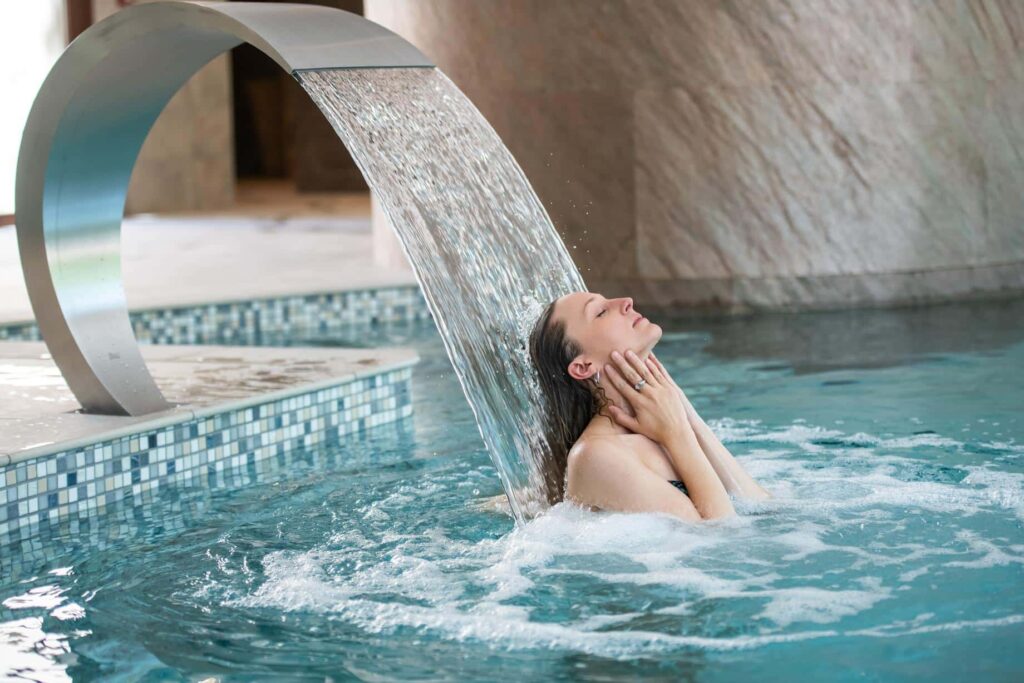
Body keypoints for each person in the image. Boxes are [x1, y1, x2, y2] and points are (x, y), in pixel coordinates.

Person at [528, 292, 771, 522]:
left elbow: (758, 504)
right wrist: (678, 435)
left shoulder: (662, 423)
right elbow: (718, 536)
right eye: (600, 312)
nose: (626, 302)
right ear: (583, 367)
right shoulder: (594, 455)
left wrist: (683, 411)